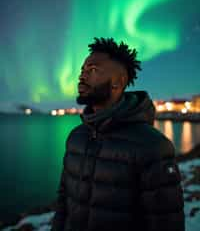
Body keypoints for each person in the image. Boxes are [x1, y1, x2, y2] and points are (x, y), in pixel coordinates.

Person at [51, 37, 185, 231]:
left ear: (118, 82)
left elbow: (166, 223)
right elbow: (63, 202)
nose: (82, 76)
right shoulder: (76, 137)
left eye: (93, 70)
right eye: (82, 70)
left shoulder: (153, 146)